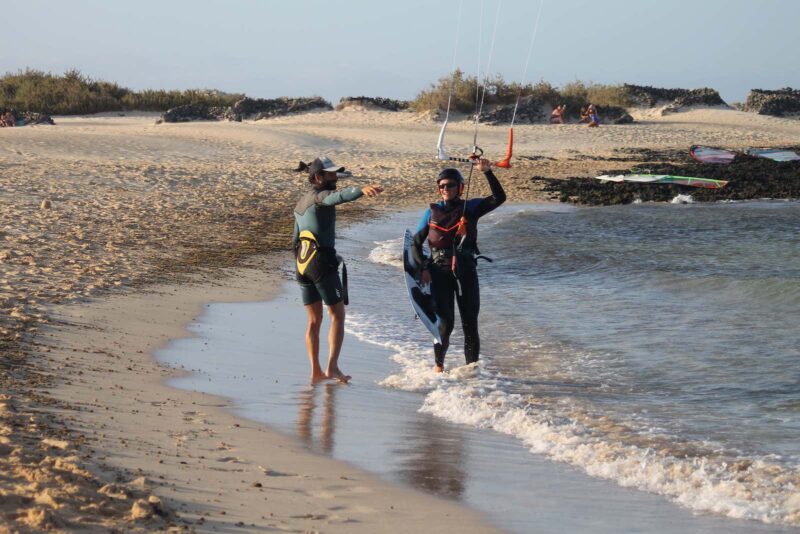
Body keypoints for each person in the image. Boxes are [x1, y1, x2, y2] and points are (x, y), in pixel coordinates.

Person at [293, 156, 383, 383]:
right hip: (321, 263)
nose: (335, 177)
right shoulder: (321, 197)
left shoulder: (300, 203)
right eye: (331, 174)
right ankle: (332, 368)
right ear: (318, 177)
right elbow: (338, 197)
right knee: (337, 316)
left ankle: (315, 371)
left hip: (302, 264)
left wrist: (306, 262)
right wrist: (361, 191)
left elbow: (294, 240)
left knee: (314, 321)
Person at [411, 158, 506, 373]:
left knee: (470, 324)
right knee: (445, 325)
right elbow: (415, 244)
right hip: (439, 273)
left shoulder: (470, 208)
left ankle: (471, 371)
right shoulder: (431, 212)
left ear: (460, 187)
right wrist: (423, 269)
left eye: (450, 185)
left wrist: (487, 172)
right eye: (442, 186)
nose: (445, 189)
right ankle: (438, 366)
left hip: (466, 273)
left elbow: (499, 197)